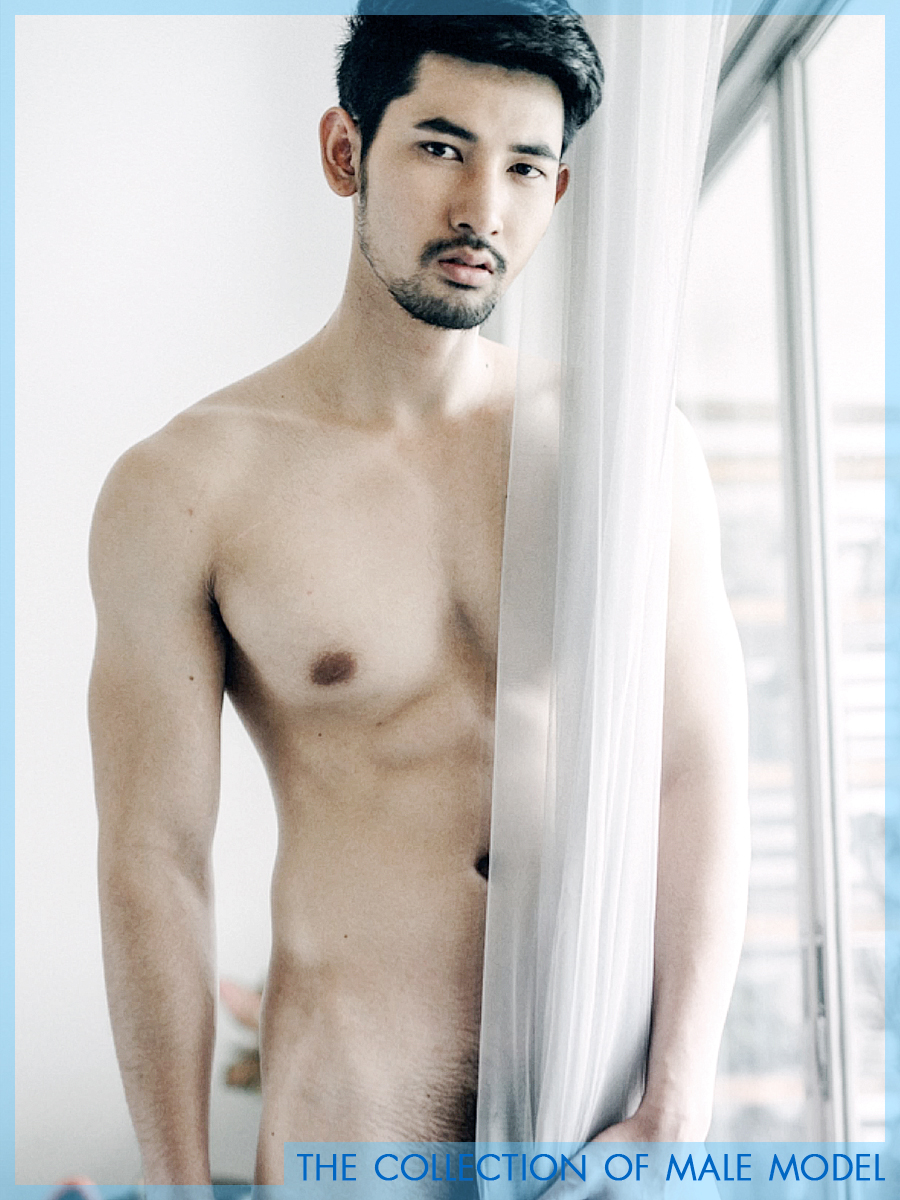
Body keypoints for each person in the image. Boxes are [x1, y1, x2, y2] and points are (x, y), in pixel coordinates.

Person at [88, 9, 749, 1189]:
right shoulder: (189, 486)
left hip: (595, 1129)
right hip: (348, 1125)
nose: (483, 207)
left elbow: (695, 771)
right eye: (442, 147)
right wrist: (175, 1182)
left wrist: (676, 1102)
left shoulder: (628, 454)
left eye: (526, 167)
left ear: (559, 190)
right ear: (346, 151)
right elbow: (155, 859)